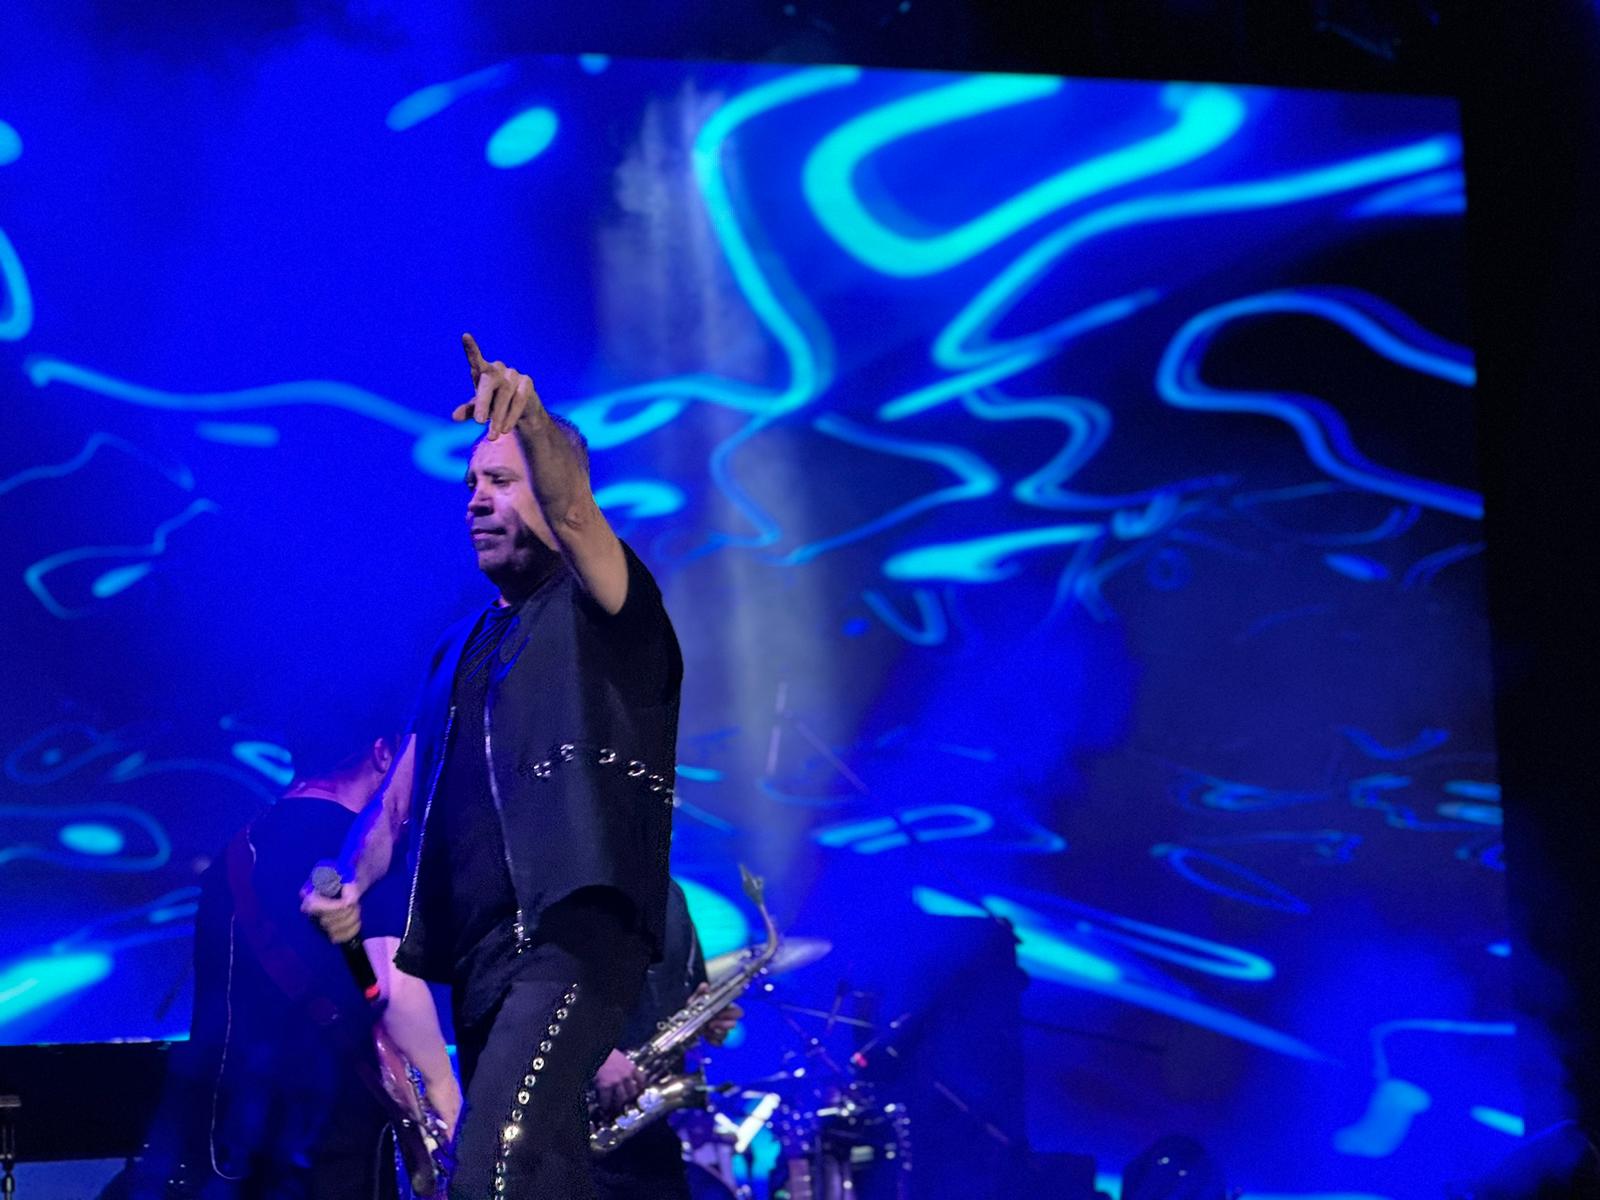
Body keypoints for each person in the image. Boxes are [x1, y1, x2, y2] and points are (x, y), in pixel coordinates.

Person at [302, 334, 683, 1199]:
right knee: (542, 1179)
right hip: (479, 957)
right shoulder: (459, 647)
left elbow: (577, 514)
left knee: (488, 1176)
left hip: (570, 937)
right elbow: (397, 803)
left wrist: (534, 421)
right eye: (472, 483)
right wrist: (348, 878)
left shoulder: (608, 609)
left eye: (502, 481)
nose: (477, 498)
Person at [106, 732, 460, 1200]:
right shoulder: (355, 848)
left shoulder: (239, 848)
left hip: (226, 1126)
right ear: (382, 754)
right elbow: (394, 989)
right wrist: (447, 1100)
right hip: (327, 1134)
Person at [589, 881, 741, 1200]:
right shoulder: (577, 879)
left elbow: (691, 990)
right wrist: (591, 1052)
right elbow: (528, 989)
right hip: (573, 1124)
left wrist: (706, 1019)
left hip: (649, 1131)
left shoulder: (672, 894)